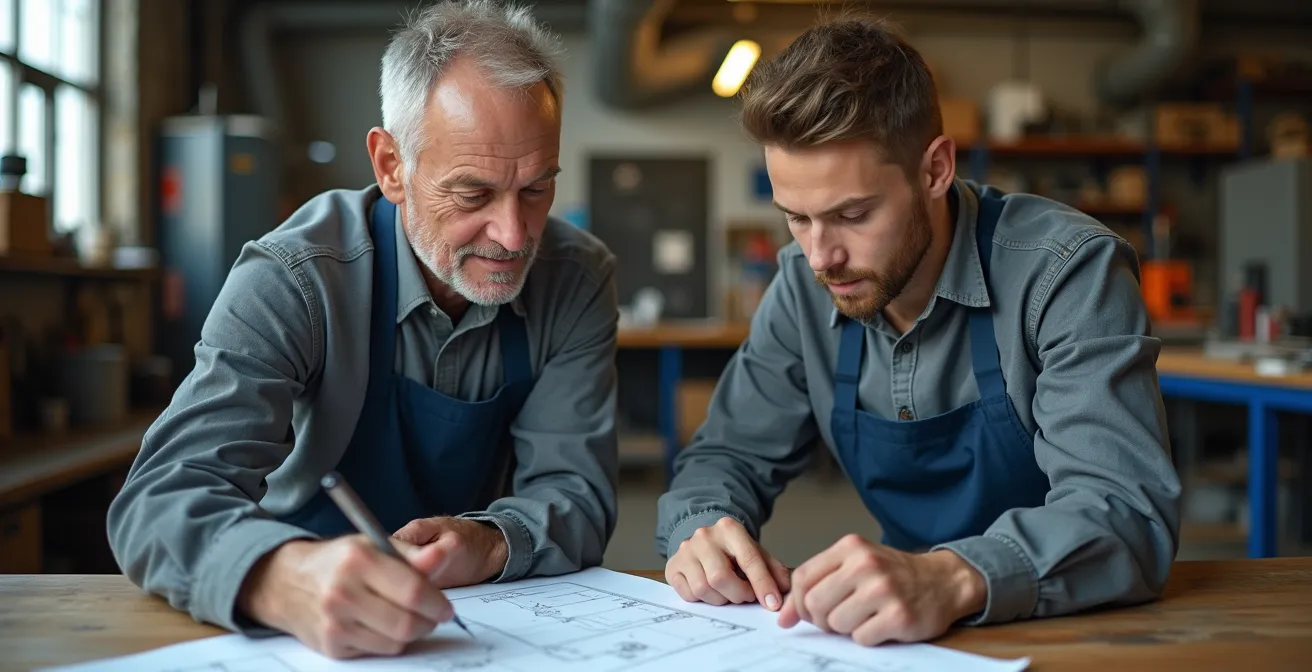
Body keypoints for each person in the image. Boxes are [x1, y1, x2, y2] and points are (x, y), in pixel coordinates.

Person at [108, 0, 619, 660]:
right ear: (390, 167)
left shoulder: (575, 277)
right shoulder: (294, 277)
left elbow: (576, 492)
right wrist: (276, 577)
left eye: (535, 189)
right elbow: (160, 497)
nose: (515, 236)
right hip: (304, 622)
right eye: (473, 194)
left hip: (473, 616)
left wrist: (490, 541)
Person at [656, 15, 1182, 647]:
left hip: (1073, 621)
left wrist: (950, 578)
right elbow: (726, 455)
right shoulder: (802, 283)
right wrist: (704, 526)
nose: (821, 256)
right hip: (903, 630)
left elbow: (1125, 514)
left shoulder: (1068, 273)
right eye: (796, 217)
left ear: (935, 169)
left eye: (852, 214)